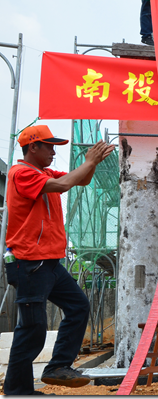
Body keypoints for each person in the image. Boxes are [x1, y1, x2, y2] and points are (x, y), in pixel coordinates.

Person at [3, 125, 114, 395]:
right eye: (49, 146)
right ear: (33, 147)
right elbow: (65, 183)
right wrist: (88, 161)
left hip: (49, 263)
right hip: (30, 263)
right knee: (32, 328)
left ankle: (57, 367)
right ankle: (18, 390)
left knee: (77, 307)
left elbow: (81, 180)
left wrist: (93, 163)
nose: (54, 151)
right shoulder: (21, 173)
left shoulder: (43, 172)